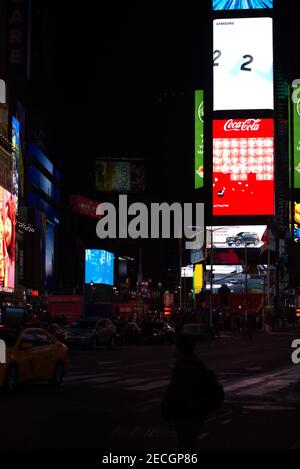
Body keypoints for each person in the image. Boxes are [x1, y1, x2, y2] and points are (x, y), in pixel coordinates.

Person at [161, 334, 208, 449]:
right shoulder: (196, 363)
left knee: (186, 444)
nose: (173, 348)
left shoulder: (184, 366)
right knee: (190, 443)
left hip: (186, 414)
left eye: (175, 346)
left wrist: (167, 409)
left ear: (180, 348)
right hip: (195, 413)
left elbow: (177, 392)